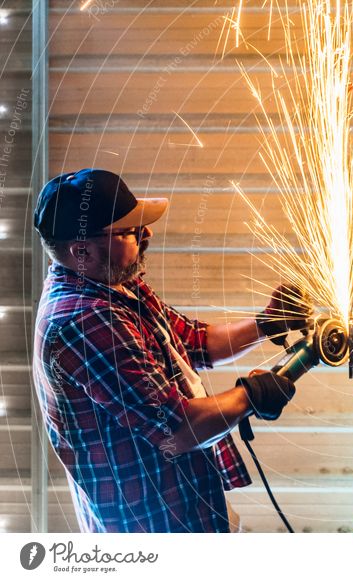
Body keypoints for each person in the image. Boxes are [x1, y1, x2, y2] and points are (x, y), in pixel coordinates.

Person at [32, 169, 310, 533]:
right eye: (130, 231)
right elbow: (179, 429)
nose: (146, 234)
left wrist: (267, 323)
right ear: (81, 250)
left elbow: (196, 342)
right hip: (151, 524)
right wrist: (251, 395)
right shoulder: (86, 323)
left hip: (186, 500)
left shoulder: (117, 286)